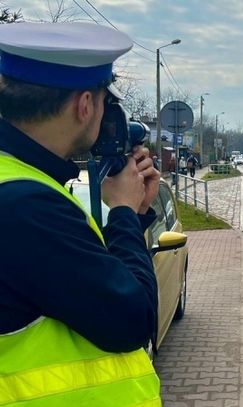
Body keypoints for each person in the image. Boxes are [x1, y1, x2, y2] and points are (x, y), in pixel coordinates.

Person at [0, 22, 162, 405]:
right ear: (85, 105)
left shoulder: (25, 183)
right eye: (106, 102)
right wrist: (122, 210)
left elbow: (87, 285)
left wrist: (133, 214)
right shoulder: (23, 204)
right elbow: (132, 319)